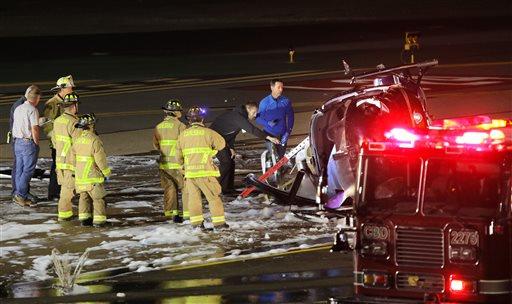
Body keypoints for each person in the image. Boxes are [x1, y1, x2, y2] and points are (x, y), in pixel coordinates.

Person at [210, 102, 279, 194]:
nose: (255, 115)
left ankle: (228, 188)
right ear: (248, 109)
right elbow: (251, 129)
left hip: (221, 140)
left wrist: (231, 147)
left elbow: (231, 133)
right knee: (226, 162)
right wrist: (268, 137)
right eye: (254, 112)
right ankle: (216, 188)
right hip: (213, 139)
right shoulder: (237, 116)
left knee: (231, 160)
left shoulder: (239, 116)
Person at [176, 107, 227, 230]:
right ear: (202, 119)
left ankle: (197, 224)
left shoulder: (182, 135)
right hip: (206, 173)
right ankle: (219, 224)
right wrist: (212, 151)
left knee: (193, 200)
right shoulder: (208, 133)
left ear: (189, 120)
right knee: (214, 198)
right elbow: (221, 144)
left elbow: (178, 157)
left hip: (190, 175)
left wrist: (184, 171)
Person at [71, 114, 111, 227]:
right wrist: (106, 172)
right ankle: (99, 221)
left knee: (84, 198)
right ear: (91, 125)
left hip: (80, 177)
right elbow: (100, 160)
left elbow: (73, 159)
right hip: (92, 176)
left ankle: (84, 219)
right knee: (98, 199)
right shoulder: (94, 140)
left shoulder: (77, 140)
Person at [153, 99, 189, 223]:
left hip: (164, 164)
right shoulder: (181, 126)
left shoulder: (158, 126)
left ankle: (173, 214)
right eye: (179, 111)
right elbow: (185, 144)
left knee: (170, 188)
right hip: (178, 164)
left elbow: (155, 145)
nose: (181, 113)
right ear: (174, 113)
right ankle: (187, 213)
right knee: (185, 188)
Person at [52, 92, 85, 221]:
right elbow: (80, 144)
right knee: (81, 191)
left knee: (65, 192)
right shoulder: (74, 123)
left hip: (60, 162)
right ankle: (73, 217)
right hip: (73, 163)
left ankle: (65, 215)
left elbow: (54, 142)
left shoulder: (57, 121)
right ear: (74, 106)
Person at [43, 75, 76, 201]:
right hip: (59, 143)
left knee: (68, 167)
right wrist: (55, 141)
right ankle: (54, 193)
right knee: (57, 167)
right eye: (69, 87)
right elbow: (47, 126)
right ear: (62, 89)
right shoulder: (52, 104)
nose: (72, 89)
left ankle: (66, 190)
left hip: (69, 142)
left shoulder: (68, 100)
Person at [11, 85, 41, 207]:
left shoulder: (18, 108)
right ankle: (21, 195)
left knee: (19, 169)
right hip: (28, 143)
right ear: (36, 98)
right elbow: (34, 128)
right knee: (28, 170)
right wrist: (36, 142)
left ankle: (17, 194)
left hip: (17, 141)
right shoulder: (33, 110)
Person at [255, 79, 294, 160]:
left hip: (282, 134)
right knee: (273, 157)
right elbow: (257, 118)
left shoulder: (286, 101)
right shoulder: (264, 102)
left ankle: (279, 171)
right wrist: (267, 123)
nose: (281, 89)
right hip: (269, 134)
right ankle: (273, 169)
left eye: (282, 87)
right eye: (278, 87)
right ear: (272, 87)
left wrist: (288, 132)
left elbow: (291, 117)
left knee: (281, 158)